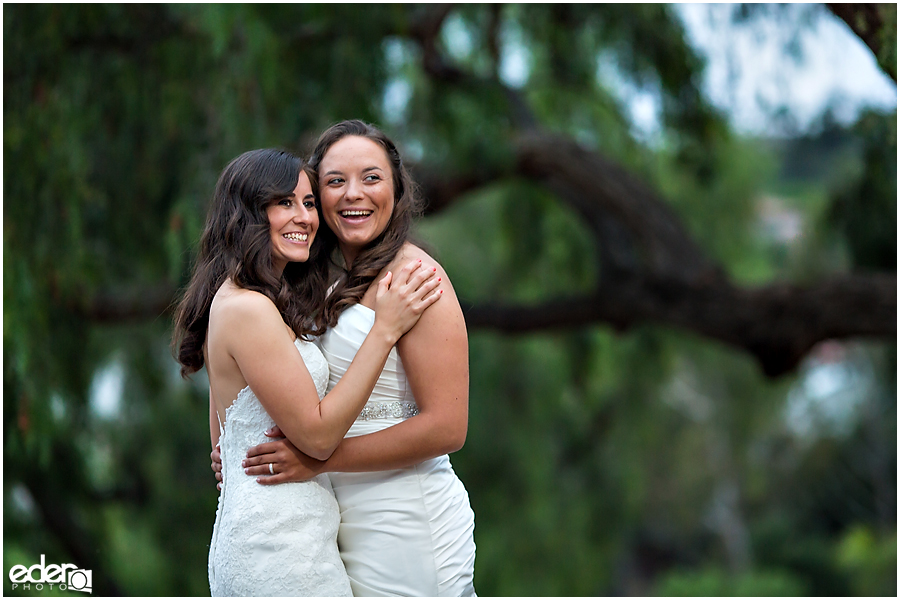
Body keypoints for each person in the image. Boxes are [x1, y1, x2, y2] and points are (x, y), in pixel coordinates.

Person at [173, 148, 442, 596]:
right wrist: (385, 329)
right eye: (284, 203)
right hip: (282, 550)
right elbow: (317, 438)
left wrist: (233, 452)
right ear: (247, 215)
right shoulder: (250, 309)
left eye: (309, 202)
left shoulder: (244, 299)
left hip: (275, 534)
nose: (305, 218)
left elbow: (224, 430)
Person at [227, 120, 477, 596]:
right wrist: (238, 442)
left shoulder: (417, 279)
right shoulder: (331, 283)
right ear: (316, 196)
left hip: (407, 521)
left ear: (397, 189)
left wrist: (321, 460)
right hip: (342, 523)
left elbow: (449, 427)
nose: (352, 194)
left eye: (371, 177)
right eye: (335, 181)